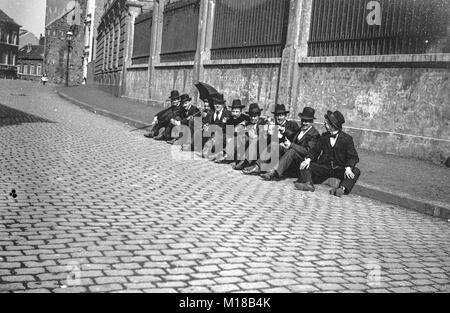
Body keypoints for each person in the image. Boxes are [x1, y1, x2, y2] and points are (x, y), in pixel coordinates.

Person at [295, 110, 361, 197]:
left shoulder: (347, 139)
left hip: (339, 168)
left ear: (332, 125)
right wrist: (308, 159)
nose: (324, 125)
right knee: (305, 165)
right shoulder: (324, 136)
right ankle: (308, 184)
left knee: (355, 171)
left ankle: (342, 189)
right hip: (325, 167)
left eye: (326, 123)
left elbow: (353, 156)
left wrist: (348, 167)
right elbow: (315, 150)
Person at [260, 107, 320, 181]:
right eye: (303, 120)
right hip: (291, 158)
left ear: (311, 121)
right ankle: (258, 165)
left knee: (292, 151)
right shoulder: (300, 129)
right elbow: (293, 135)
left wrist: (291, 145)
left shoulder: (314, 134)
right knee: (275, 145)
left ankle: (274, 172)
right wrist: (284, 130)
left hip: (301, 162)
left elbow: (307, 151)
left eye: (307, 121)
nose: (304, 123)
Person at [242, 104, 300, 175]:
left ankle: (258, 167)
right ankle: (256, 166)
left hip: (287, 153)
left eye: (281, 115)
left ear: (285, 116)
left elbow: (296, 137)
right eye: (277, 115)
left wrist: (285, 132)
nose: (279, 118)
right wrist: (268, 134)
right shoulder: (272, 125)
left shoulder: (292, 124)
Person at [232, 103, 269, 170]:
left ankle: (244, 162)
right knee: (242, 137)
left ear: (258, 116)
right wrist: (242, 128)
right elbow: (236, 129)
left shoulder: (263, 123)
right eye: (251, 116)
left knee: (255, 139)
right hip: (249, 147)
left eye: (255, 116)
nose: (252, 118)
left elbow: (263, 137)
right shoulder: (247, 122)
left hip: (260, 148)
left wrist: (252, 136)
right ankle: (237, 158)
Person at [214, 99, 249, 163]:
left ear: (240, 112)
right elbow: (226, 131)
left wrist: (243, 125)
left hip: (241, 140)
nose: (234, 113)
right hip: (231, 139)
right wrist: (224, 123)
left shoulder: (245, 118)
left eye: (237, 112)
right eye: (233, 111)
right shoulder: (230, 119)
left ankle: (226, 155)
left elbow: (249, 125)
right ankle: (222, 153)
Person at [202, 93, 232, 159]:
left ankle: (220, 151)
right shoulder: (210, 113)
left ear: (223, 105)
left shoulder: (227, 113)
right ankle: (209, 147)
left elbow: (229, 128)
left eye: (219, 104)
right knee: (205, 154)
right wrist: (205, 126)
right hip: (210, 136)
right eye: (215, 104)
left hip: (222, 138)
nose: (217, 106)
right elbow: (204, 122)